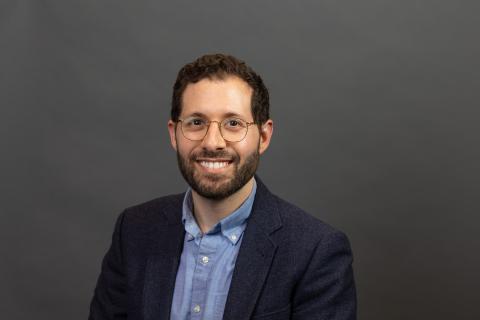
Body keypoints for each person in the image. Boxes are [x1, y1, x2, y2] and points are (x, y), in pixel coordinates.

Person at [89, 53, 356, 320]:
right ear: (174, 134)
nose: (213, 142)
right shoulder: (134, 231)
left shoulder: (315, 251)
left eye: (233, 124)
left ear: (263, 136)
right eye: (196, 122)